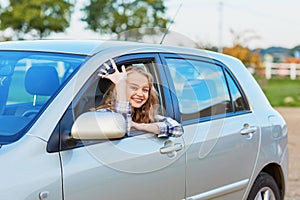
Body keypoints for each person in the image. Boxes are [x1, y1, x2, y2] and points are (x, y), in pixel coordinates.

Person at [95, 59, 183, 138]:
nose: (140, 94)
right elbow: (122, 128)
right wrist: (121, 86)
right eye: (134, 88)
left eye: (145, 90)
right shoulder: (105, 114)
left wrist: (140, 126)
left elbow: (177, 129)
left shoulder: (145, 115)